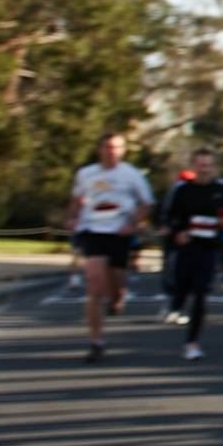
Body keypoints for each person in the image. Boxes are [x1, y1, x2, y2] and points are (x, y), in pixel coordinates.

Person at [65, 132, 154, 364]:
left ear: (123, 150)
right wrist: (73, 218)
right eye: (107, 147)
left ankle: (117, 298)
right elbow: (76, 201)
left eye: (116, 147)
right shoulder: (86, 174)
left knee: (114, 284)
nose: (111, 151)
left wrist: (132, 223)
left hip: (119, 232)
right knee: (94, 285)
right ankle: (96, 342)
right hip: (93, 230)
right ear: (100, 149)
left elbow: (147, 203)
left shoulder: (132, 175)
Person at [160, 148, 223, 361]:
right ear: (194, 167)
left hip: (209, 249)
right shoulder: (182, 190)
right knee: (182, 288)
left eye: (208, 165)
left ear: (214, 167)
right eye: (200, 165)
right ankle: (175, 305)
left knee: (201, 294)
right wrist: (176, 233)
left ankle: (192, 342)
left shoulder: (221, 190)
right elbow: (167, 219)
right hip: (186, 248)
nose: (204, 170)